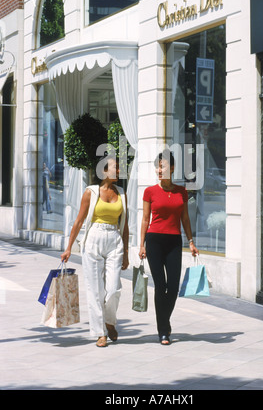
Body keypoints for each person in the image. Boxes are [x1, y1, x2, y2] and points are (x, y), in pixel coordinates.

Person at [61, 154, 129, 348]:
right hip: (93, 239)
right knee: (95, 290)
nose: (119, 171)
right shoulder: (91, 192)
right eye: (115, 168)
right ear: (104, 171)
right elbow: (79, 221)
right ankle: (101, 332)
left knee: (114, 288)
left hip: (114, 239)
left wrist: (125, 253)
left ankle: (110, 321)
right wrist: (68, 248)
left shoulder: (122, 193)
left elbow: (125, 226)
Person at [139, 149, 198, 345]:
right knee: (160, 286)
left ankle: (164, 322)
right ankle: (163, 330)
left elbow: (185, 218)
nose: (159, 170)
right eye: (157, 167)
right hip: (154, 240)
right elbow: (145, 219)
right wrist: (141, 244)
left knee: (173, 287)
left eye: (163, 166)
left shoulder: (181, 191)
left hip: (174, 241)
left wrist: (190, 241)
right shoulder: (150, 192)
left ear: (172, 168)